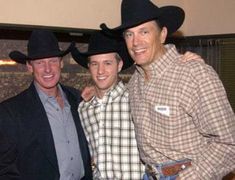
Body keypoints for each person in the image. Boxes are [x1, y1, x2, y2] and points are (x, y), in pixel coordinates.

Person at [100, 0, 235, 179]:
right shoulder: (134, 83)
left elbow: (228, 143)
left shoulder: (193, 74)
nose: (135, 42)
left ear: (162, 34)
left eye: (144, 32)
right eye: (129, 34)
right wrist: (94, 90)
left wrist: (189, 177)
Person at [0, 30, 92, 180]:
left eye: (53, 61)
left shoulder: (78, 100)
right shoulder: (10, 113)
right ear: (29, 67)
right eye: (40, 62)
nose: (48, 69)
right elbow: (4, 170)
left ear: (61, 63)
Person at [71, 31, 145, 179]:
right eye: (94, 64)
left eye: (107, 63)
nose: (100, 71)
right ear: (89, 67)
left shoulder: (137, 99)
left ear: (119, 65)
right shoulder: (83, 109)